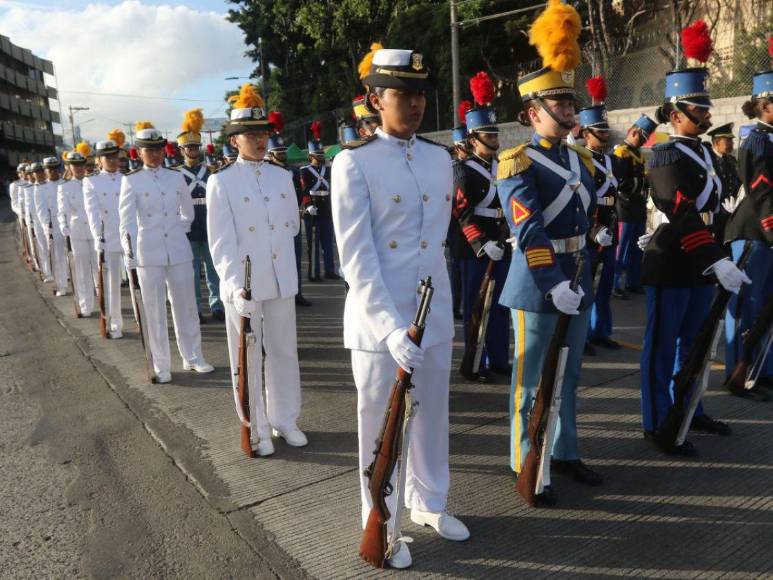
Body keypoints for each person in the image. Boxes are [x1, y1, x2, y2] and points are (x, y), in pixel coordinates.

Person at [497, 0, 603, 505]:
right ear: (532, 112)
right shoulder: (515, 162)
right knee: (530, 379)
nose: (569, 108)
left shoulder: (580, 157)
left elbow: (588, 213)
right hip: (539, 281)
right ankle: (527, 464)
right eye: (559, 104)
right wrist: (553, 280)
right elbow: (527, 227)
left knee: (570, 373)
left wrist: (585, 262)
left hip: (577, 276)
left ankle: (564, 450)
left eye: (569, 101)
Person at [638, 24, 750, 456]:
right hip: (673, 259)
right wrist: (715, 258)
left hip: (703, 258)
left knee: (696, 342)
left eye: (705, 107)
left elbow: (717, 207)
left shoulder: (704, 151)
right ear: (675, 113)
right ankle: (656, 420)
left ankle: (689, 408)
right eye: (697, 108)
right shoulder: (665, 155)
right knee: (663, 346)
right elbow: (682, 214)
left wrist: (729, 244)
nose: (705, 114)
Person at [207, 84, 306, 457]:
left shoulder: (282, 177)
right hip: (246, 283)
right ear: (235, 141)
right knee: (248, 358)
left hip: (281, 277)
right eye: (251, 134)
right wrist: (234, 288)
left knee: (284, 352)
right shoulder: (222, 181)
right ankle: (256, 426)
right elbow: (221, 242)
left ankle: (285, 419)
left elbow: (292, 227)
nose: (260, 140)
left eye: (263, 133)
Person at [119, 121, 214, 383]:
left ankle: (193, 356)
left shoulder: (176, 176)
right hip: (148, 253)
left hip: (177, 248)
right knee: (154, 311)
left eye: (159, 149)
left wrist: (176, 230)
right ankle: (160, 364)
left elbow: (188, 213)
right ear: (138, 153)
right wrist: (130, 253)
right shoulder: (132, 181)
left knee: (186, 307)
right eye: (149, 150)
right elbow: (126, 221)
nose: (155, 154)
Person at [455, 71, 511, 382]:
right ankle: (475, 363)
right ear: (474, 139)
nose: (495, 139)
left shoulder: (501, 166)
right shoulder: (465, 171)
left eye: (495, 134)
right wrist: (480, 244)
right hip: (474, 248)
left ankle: (499, 359)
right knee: (477, 307)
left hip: (500, 242)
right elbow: (462, 213)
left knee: (500, 305)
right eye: (488, 136)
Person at [723, 69, 773, 400]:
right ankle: (739, 370)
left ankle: (762, 370)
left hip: (765, 235)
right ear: (765, 106)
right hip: (756, 232)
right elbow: (761, 191)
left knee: (766, 304)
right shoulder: (757, 140)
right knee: (749, 305)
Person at [578, 86, 620, 351]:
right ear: (586, 134)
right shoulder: (581, 161)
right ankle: (581, 336)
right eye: (599, 131)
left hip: (610, 225)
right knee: (585, 286)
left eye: (605, 131)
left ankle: (600, 331)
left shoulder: (609, 160)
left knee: (604, 284)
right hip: (590, 230)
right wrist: (594, 231)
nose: (604, 135)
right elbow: (580, 202)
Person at [176, 108, 225, 324]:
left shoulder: (212, 171)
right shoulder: (176, 174)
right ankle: (196, 307)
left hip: (209, 223)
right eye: (189, 147)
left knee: (214, 268)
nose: (193, 150)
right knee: (192, 272)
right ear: (182, 150)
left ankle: (217, 305)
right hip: (188, 227)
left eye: (195, 146)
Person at [266, 111, 311, 307]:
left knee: (295, 259)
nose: (283, 155)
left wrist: (301, 207)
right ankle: (281, 294)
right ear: (271, 154)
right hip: (274, 222)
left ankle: (297, 292)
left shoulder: (292, 171)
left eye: (283, 152)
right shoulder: (268, 173)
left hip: (292, 218)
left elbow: (300, 192)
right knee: (278, 261)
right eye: (279, 152)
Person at [84, 139, 125, 339]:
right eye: (107, 158)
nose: (111, 161)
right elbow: (92, 213)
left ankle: (143, 318)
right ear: (99, 160)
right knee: (112, 283)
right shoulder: (91, 181)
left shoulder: (127, 178)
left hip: (130, 236)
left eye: (114, 157)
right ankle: (114, 323)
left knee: (139, 282)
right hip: (108, 236)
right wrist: (98, 237)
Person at [612, 115, 657, 298]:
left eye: (646, 138)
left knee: (637, 248)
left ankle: (633, 281)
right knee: (622, 248)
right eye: (641, 137)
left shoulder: (638, 154)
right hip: (625, 207)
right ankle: (616, 284)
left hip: (638, 207)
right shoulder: (621, 153)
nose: (643, 141)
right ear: (633, 132)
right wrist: (641, 182)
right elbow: (621, 182)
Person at [57, 149, 97, 316]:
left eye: (82, 165)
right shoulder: (64, 187)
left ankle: (105, 301)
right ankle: (86, 305)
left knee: (100, 268)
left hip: (95, 231)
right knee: (82, 271)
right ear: (69, 167)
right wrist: (64, 228)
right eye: (75, 165)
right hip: (78, 231)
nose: (79, 168)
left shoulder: (93, 182)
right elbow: (62, 211)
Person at [300, 122, 338, 281]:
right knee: (313, 244)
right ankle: (314, 273)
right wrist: (308, 205)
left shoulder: (329, 170)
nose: (321, 157)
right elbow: (303, 190)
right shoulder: (304, 171)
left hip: (326, 209)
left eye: (321, 154)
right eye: (318, 155)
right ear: (311, 156)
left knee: (328, 243)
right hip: (313, 210)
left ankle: (330, 271)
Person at [35, 156, 68, 295]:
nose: (53, 171)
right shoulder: (40, 188)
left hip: (70, 224)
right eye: (49, 169)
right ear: (45, 170)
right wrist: (46, 227)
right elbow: (41, 210)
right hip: (54, 225)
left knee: (74, 256)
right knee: (59, 257)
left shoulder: (66, 183)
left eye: (55, 168)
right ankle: (62, 286)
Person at [707, 122, 742, 243]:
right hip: (715, 214)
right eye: (728, 141)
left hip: (731, 211)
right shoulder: (708, 161)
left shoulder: (731, 160)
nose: (732, 144)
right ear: (717, 143)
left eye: (732, 141)